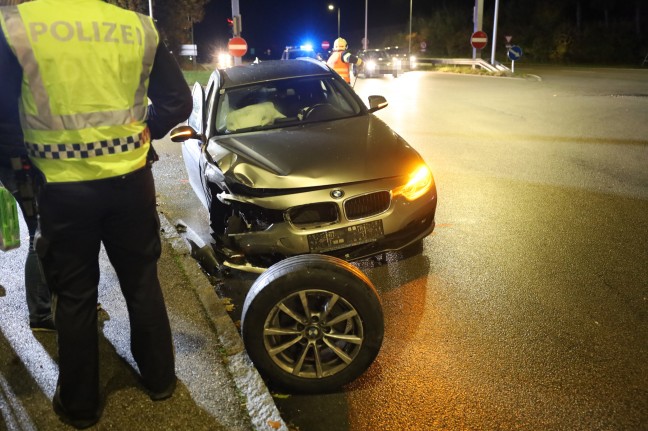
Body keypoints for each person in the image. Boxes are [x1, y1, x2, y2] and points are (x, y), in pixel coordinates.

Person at [0, 0, 193, 428]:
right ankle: (161, 380)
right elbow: (178, 101)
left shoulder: (16, 24)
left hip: (60, 186)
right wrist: (149, 130)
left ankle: (81, 405)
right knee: (142, 282)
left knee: (74, 297)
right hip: (131, 181)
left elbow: (4, 116)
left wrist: (22, 165)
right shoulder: (137, 26)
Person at [0, 112, 54, 332]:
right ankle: (42, 312)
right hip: (21, 158)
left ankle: (62, 300)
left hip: (19, 154)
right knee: (40, 232)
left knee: (45, 230)